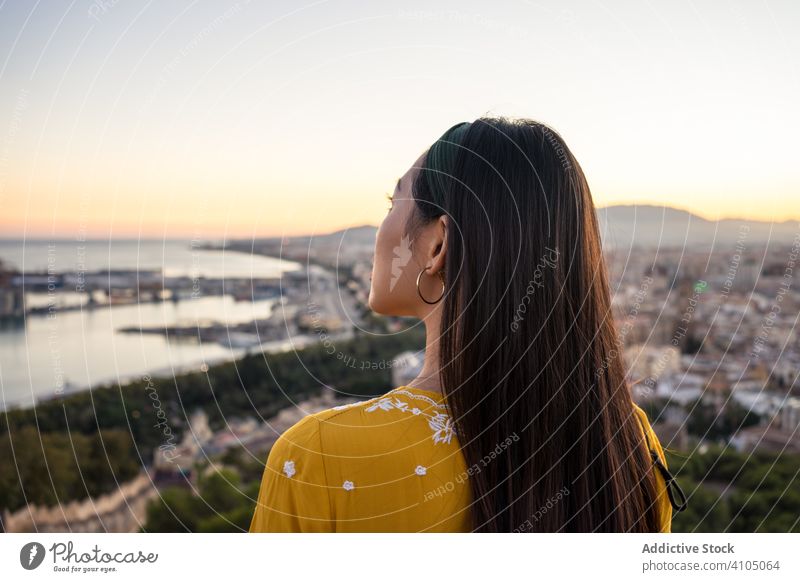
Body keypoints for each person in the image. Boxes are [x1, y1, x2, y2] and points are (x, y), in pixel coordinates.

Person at [249, 117, 684, 533]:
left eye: (391, 203)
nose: (379, 228)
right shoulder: (626, 440)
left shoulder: (321, 456)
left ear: (439, 243)